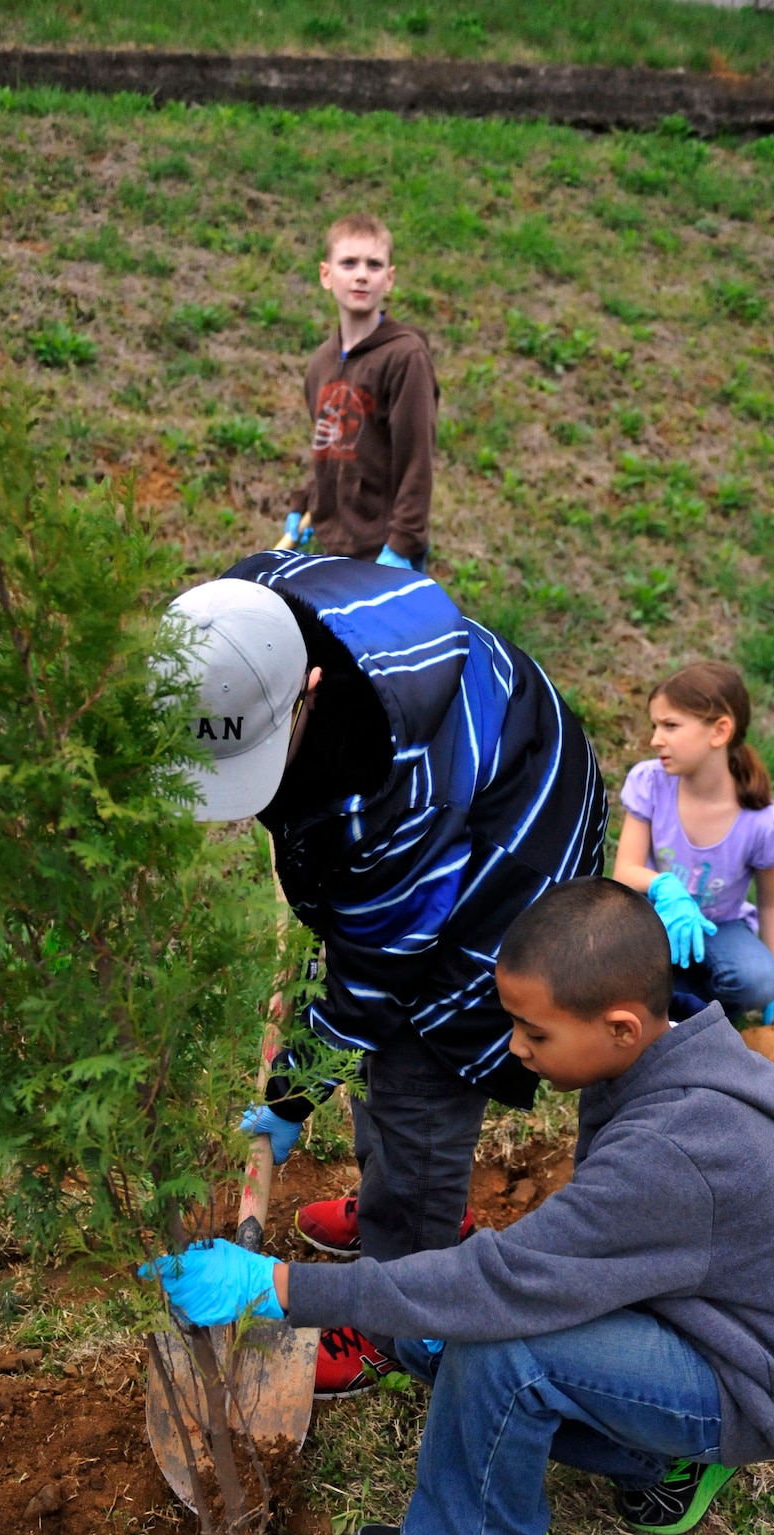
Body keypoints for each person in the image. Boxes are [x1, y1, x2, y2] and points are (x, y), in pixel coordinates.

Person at [142, 878, 774, 1535]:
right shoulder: (661, 1066)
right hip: (692, 1323)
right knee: (433, 1337)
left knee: (500, 1346)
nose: (516, 1047)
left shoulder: (671, 1151)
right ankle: (661, 1457)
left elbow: (505, 1285)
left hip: (746, 1382)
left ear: (622, 1027)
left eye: (536, 1034)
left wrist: (279, 1286)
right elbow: (570, 1258)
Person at [155, 554, 608, 1398]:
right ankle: (389, 1203)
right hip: (473, 782)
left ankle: (399, 1303)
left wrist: (292, 1095)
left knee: (419, 1073)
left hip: (510, 861)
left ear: (311, 688)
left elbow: (375, 975)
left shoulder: (390, 793)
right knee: (373, 1057)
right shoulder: (249, 615)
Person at [613, 664, 774, 1023]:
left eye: (670, 726)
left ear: (720, 731)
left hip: (721, 924)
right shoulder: (651, 784)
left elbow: (773, 903)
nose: (655, 739)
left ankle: (683, 999)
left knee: (759, 981)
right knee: (614, 959)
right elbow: (625, 871)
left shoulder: (762, 822)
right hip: (657, 915)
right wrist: (663, 885)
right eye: (655, 726)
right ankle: (686, 1001)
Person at [282, 214, 437, 572]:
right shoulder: (321, 364)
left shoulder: (405, 357)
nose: (362, 274)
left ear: (390, 279)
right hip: (332, 550)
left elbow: (418, 459)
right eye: (349, 263)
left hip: (383, 551)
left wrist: (401, 546)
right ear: (326, 274)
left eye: (374, 264)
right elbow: (336, 449)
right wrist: (306, 500)